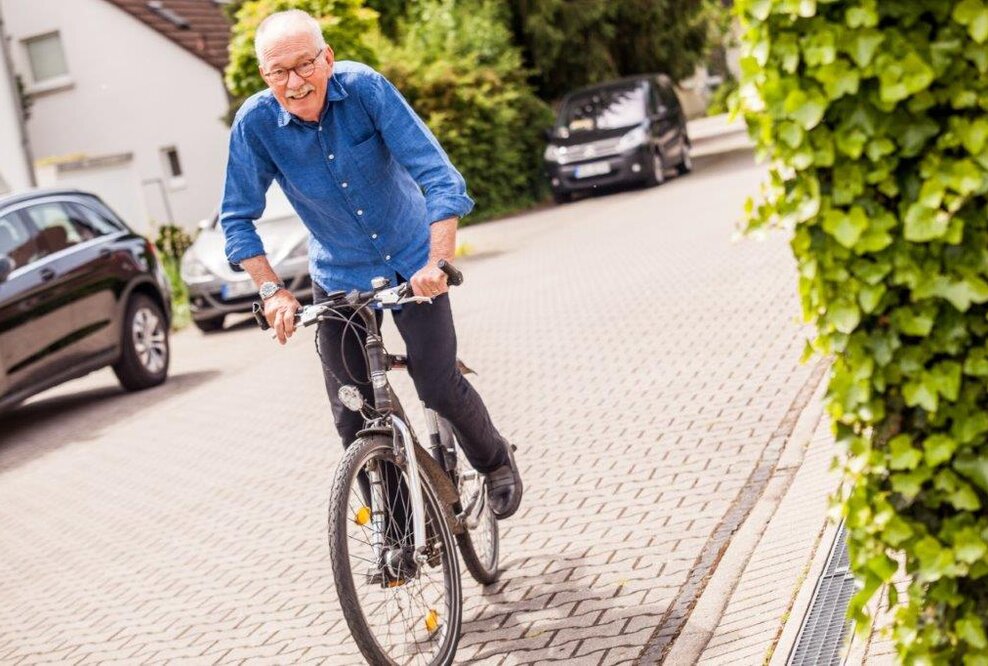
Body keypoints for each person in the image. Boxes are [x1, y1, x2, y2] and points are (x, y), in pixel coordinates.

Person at [219, 9, 522, 519]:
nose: (294, 83)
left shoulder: (365, 90)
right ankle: (397, 527)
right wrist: (273, 291)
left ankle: (494, 460)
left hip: (411, 261)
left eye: (304, 65)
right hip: (338, 273)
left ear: (327, 58)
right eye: (278, 72)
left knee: (436, 381)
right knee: (350, 412)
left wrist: (438, 263)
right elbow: (236, 219)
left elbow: (441, 178)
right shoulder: (255, 124)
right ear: (264, 75)